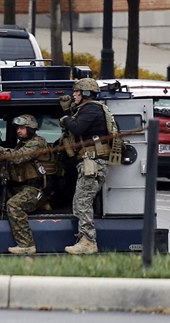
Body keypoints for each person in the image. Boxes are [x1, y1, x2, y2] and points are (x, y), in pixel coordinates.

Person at [0, 114, 55, 255]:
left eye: (23, 128)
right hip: (23, 187)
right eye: (18, 128)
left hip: (35, 188)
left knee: (13, 205)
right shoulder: (22, 144)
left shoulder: (38, 142)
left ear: (32, 129)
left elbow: (18, 157)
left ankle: (26, 245)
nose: (18, 131)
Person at [59, 78, 112, 255]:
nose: (74, 95)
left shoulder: (91, 109)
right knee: (80, 201)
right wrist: (69, 111)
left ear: (86, 93)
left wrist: (66, 118)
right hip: (92, 162)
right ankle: (85, 239)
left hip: (93, 163)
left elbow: (78, 127)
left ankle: (88, 241)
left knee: (82, 202)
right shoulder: (90, 109)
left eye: (77, 92)